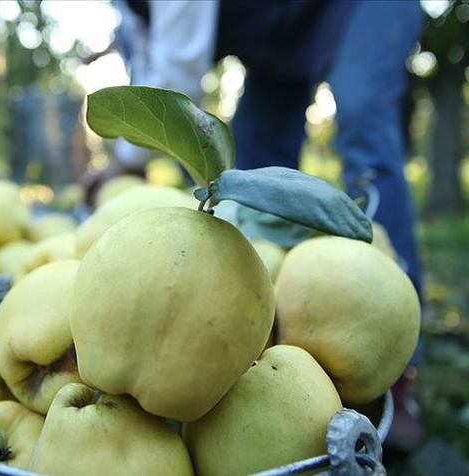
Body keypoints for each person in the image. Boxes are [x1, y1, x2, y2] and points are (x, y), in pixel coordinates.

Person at [82, 0, 426, 451]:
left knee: (363, 118)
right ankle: (281, 365)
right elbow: (152, 56)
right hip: (280, 37)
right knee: (254, 160)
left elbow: (178, 69)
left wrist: (122, 163)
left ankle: (399, 382)